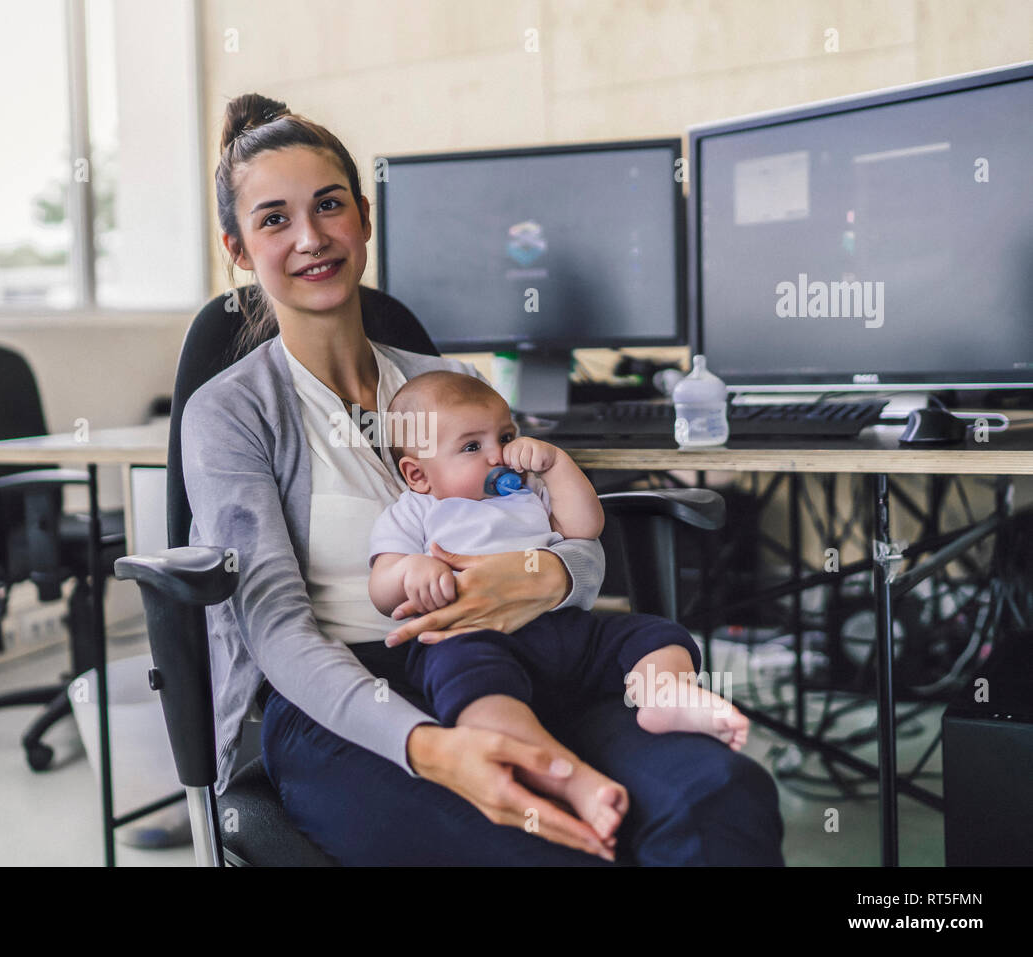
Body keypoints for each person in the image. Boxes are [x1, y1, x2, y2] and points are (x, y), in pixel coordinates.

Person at [180, 91, 784, 864]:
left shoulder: (451, 381)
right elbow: (275, 631)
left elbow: (569, 538)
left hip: (527, 657)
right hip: (348, 702)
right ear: (238, 248)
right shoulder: (230, 413)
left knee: (719, 796)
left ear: (364, 217)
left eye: (329, 205)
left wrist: (538, 574)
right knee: (552, 844)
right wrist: (430, 746)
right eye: (274, 218)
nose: (311, 237)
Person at [367, 370, 750, 858]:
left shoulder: (528, 491)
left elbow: (586, 527)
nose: (497, 456)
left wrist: (557, 466)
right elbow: (381, 586)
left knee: (655, 633)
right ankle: (566, 778)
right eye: (471, 447)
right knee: (471, 687)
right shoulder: (416, 510)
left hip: (565, 629)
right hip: (473, 638)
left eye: (505, 437)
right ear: (418, 474)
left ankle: (665, 694)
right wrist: (411, 571)